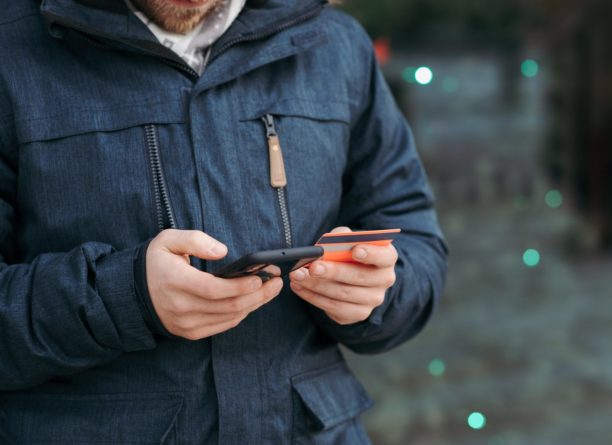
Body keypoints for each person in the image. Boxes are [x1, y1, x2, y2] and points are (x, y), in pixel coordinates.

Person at [0, 0, 447, 443]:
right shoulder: (11, 47)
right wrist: (124, 298)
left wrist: (375, 291)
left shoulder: (335, 43)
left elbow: (415, 242)